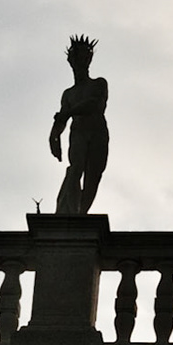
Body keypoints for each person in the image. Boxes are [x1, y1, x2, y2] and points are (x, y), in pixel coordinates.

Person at [49, 35, 109, 216]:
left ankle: (81, 213)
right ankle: (70, 213)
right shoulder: (68, 94)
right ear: (71, 60)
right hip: (79, 133)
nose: (80, 62)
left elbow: (94, 104)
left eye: (83, 57)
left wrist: (66, 115)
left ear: (89, 59)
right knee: (75, 169)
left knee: (93, 177)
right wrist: (54, 136)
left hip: (97, 132)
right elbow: (61, 119)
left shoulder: (99, 83)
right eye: (76, 57)